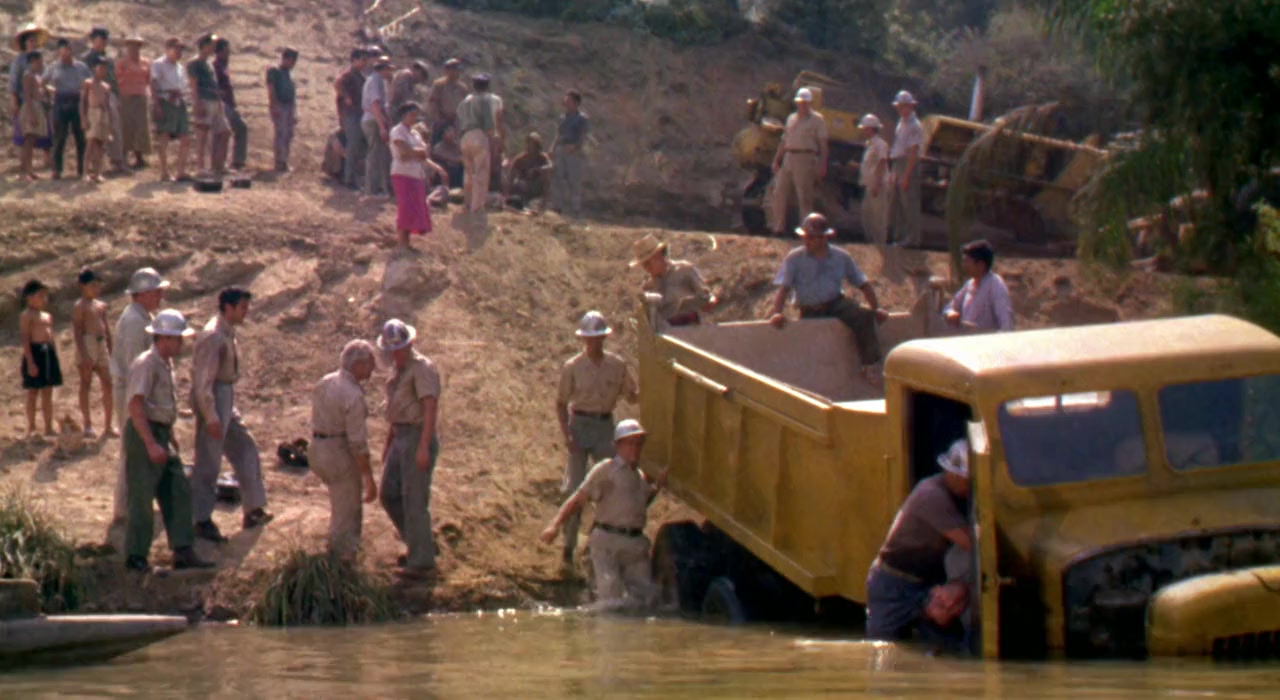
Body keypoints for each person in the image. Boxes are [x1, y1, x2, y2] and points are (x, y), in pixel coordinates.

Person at [123, 308, 214, 572]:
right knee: (142, 495)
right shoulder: (146, 364)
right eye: (177, 339)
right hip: (145, 433)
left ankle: (183, 549)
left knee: (177, 489)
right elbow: (136, 405)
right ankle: (136, 556)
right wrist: (150, 442)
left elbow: (161, 403)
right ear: (163, 338)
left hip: (160, 431)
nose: (181, 344)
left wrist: (168, 435)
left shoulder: (165, 364)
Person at [539, 419, 667, 607]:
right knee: (610, 601)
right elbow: (578, 499)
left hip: (634, 543)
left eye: (638, 444)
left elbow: (638, 506)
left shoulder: (639, 476)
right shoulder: (607, 469)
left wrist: (657, 487)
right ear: (617, 446)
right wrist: (555, 525)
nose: (635, 448)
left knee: (644, 601)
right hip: (607, 542)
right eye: (630, 443)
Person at [554, 311, 639, 574]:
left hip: (605, 426)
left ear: (604, 338)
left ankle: (598, 544)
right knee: (575, 488)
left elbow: (632, 395)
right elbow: (561, 403)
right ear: (583, 340)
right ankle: (568, 548)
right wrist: (567, 435)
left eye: (598, 338)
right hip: (580, 425)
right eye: (589, 338)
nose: (594, 343)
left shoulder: (617, 365)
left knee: (612, 485)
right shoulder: (572, 367)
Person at [866, 439, 972, 646]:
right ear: (953, 474)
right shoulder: (932, 495)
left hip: (922, 583)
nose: (970, 487)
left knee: (944, 646)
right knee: (882, 648)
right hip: (891, 585)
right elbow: (971, 544)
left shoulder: (949, 494)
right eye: (968, 481)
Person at [190, 287, 273, 544]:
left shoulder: (226, 332)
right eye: (242, 307)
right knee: (208, 461)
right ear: (228, 307)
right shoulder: (213, 336)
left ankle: (253, 509)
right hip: (214, 396)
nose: (246, 312)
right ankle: (200, 519)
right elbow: (203, 382)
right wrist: (211, 415)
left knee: (245, 447)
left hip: (224, 395)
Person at [767, 212, 888, 383]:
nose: (806, 241)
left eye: (811, 238)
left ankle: (871, 365)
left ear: (824, 238)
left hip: (835, 303)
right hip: (809, 309)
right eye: (805, 237)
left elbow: (863, 284)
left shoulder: (841, 257)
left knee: (863, 317)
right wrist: (777, 313)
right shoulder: (794, 258)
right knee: (811, 342)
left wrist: (876, 309)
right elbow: (784, 289)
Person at [107, 267, 169, 545]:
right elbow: (136, 366)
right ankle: (124, 509)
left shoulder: (142, 317)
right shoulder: (134, 322)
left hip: (136, 389)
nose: (160, 296)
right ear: (142, 294)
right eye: (156, 292)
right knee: (132, 447)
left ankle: (130, 504)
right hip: (131, 390)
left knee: (136, 448)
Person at [376, 319, 443, 576]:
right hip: (399, 435)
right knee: (389, 494)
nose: (395, 354)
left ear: (409, 344)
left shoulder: (422, 368)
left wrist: (423, 446)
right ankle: (420, 544)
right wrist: (388, 443)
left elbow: (429, 408)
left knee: (414, 498)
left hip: (416, 435)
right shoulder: (397, 372)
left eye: (399, 349)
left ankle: (421, 561)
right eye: (391, 350)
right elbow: (396, 411)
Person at [309, 340, 379, 559]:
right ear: (358, 364)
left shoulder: (325, 381)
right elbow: (357, 443)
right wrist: (368, 477)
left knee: (338, 502)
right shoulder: (353, 395)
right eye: (370, 363)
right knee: (348, 509)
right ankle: (341, 560)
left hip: (317, 448)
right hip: (338, 453)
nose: (373, 369)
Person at [768, 87, 828, 235]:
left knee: (804, 195)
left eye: (805, 102)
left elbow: (823, 144)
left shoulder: (817, 120)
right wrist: (777, 159)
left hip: (805, 157)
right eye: (800, 102)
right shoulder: (791, 118)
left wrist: (822, 164)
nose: (802, 105)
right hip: (789, 156)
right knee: (779, 192)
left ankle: (807, 229)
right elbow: (784, 140)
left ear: (809, 103)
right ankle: (778, 228)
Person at [390, 102, 449, 248]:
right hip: (402, 172)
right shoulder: (398, 131)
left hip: (416, 174)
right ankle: (402, 242)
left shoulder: (415, 134)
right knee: (405, 208)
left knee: (414, 208)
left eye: (415, 115)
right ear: (404, 115)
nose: (414, 118)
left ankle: (407, 242)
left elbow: (423, 155)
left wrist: (437, 168)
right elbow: (403, 152)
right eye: (411, 115)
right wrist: (417, 153)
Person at [630, 233, 718, 329]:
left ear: (658, 256)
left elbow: (706, 296)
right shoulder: (649, 286)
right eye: (644, 265)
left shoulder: (684, 270)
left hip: (690, 330)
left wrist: (708, 301)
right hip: (664, 333)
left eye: (648, 263)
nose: (647, 268)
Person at [72, 268, 114, 438]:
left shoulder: (101, 305)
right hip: (88, 342)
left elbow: (106, 328)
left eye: (98, 285)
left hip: (101, 342)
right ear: (83, 286)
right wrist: (84, 354)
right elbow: (78, 331)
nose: (96, 289)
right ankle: (87, 424)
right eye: (92, 285)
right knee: (86, 383)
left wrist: (111, 348)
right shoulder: (80, 306)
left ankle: (108, 425)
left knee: (108, 383)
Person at [455, 73, 504, 214]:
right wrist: (493, 140)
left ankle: (467, 202)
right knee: (481, 172)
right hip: (479, 134)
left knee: (468, 172)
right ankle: (477, 207)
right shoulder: (484, 101)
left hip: (465, 135)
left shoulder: (465, 101)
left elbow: (458, 120)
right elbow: (489, 123)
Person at [19, 280, 61, 437]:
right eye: (40, 296)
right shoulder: (27, 315)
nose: (44, 299)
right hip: (35, 352)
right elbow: (25, 339)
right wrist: (30, 361)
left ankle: (48, 427)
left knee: (48, 391)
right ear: (29, 298)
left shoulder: (47, 316)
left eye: (45, 295)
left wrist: (54, 354)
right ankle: (31, 427)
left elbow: (51, 337)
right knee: (33, 392)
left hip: (47, 353)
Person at [44, 39, 91, 180]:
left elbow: (91, 81)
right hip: (60, 101)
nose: (66, 53)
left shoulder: (81, 67)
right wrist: (50, 90)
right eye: (63, 50)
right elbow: (42, 82)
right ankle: (57, 169)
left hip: (77, 101)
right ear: (59, 51)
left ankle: (82, 169)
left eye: (68, 50)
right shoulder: (53, 67)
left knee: (80, 137)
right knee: (60, 136)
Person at [944, 239, 1015, 333]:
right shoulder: (969, 284)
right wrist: (950, 313)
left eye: (967, 261)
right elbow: (949, 307)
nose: (964, 265)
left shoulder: (995, 285)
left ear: (981, 265)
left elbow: (1006, 324)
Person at [9, 23, 53, 171]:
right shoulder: (19, 61)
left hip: (40, 101)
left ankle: (45, 161)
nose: (33, 43)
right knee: (27, 135)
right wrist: (14, 100)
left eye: (35, 40)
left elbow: (45, 78)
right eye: (30, 40)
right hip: (26, 101)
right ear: (25, 42)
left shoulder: (41, 59)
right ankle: (26, 166)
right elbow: (14, 82)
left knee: (43, 131)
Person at [83, 27, 125, 173]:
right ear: (93, 40)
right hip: (93, 96)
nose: (103, 43)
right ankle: (93, 165)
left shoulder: (108, 59)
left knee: (113, 127)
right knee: (94, 132)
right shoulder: (87, 59)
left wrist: (117, 96)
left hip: (109, 95)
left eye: (105, 40)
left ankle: (117, 161)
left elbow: (113, 79)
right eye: (100, 39)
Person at [188, 33, 229, 175]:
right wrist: (197, 102)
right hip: (204, 99)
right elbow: (193, 85)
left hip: (215, 100)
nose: (214, 47)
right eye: (212, 44)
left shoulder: (209, 64)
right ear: (204, 45)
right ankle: (200, 167)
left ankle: (218, 165)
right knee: (203, 133)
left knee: (224, 132)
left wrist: (219, 100)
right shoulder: (194, 63)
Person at [150, 37, 191, 181]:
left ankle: (180, 171)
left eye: (181, 49)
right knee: (164, 136)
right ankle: (164, 171)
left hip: (179, 102)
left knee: (185, 137)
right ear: (168, 49)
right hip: (165, 100)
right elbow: (153, 84)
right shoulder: (158, 64)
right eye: (176, 48)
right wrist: (156, 104)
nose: (179, 52)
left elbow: (183, 86)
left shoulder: (180, 67)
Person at [890, 90, 924, 247]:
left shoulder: (914, 125)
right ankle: (900, 236)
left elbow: (913, 152)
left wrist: (906, 175)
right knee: (898, 203)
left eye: (902, 106)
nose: (900, 109)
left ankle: (912, 238)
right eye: (899, 106)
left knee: (909, 203)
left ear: (910, 106)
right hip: (898, 162)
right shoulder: (901, 123)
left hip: (907, 163)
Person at [550, 90, 589, 217]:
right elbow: (558, 134)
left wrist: (576, 146)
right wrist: (552, 148)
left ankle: (575, 208)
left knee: (574, 180)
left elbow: (583, 135)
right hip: (561, 148)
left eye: (569, 101)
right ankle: (558, 206)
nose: (566, 103)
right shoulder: (562, 118)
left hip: (574, 151)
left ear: (576, 103)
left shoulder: (582, 118)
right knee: (558, 177)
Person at [115, 34, 152, 169]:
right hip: (126, 96)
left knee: (141, 126)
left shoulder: (145, 62)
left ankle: (139, 157)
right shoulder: (122, 63)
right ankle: (123, 157)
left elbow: (148, 79)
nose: (134, 48)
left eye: (136, 46)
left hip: (141, 96)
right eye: (131, 45)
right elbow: (117, 79)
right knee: (126, 126)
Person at [334, 48, 368, 189]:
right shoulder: (348, 75)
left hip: (358, 115)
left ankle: (351, 176)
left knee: (357, 147)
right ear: (354, 60)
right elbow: (338, 85)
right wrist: (346, 97)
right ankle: (348, 179)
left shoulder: (361, 77)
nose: (364, 63)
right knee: (352, 146)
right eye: (362, 60)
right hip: (350, 115)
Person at [212, 38, 248, 171]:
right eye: (226, 51)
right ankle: (221, 163)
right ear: (219, 51)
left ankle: (237, 161)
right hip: (222, 103)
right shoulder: (215, 66)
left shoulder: (223, 65)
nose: (229, 53)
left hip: (228, 103)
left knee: (239, 128)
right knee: (224, 132)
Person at [856, 114, 891, 245]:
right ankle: (870, 241)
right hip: (869, 184)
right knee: (867, 214)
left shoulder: (880, 144)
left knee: (878, 216)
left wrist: (877, 182)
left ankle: (880, 242)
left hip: (877, 184)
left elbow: (882, 162)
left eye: (865, 128)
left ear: (870, 129)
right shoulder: (869, 144)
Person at [361, 57, 393, 198]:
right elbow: (375, 105)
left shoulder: (376, 80)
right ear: (383, 69)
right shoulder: (375, 81)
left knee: (378, 154)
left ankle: (377, 187)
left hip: (374, 119)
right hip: (373, 120)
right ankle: (372, 189)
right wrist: (381, 126)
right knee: (375, 154)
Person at [16, 50, 49, 181]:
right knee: (28, 140)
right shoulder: (28, 75)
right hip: (31, 108)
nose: (41, 63)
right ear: (33, 61)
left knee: (32, 140)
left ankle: (29, 170)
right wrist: (31, 114)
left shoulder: (37, 76)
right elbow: (27, 96)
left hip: (38, 106)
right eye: (39, 61)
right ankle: (23, 171)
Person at [81, 59, 115, 183]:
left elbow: (108, 104)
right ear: (95, 69)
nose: (102, 71)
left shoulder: (106, 86)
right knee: (90, 143)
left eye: (104, 69)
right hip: (92, 113)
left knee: (101, 146)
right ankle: (85, 173)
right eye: (100, 68)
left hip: (103, 114)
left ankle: (98, 173)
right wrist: (84, 118)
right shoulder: (88, 83)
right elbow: (83, 101)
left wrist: (110, 123)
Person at [266, 48, 299, 172]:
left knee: (288, 134)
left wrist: (294, 111)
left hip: (288, 106)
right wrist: (274, 105)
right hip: (280, 104)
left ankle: (284, 160)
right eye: (293, 61)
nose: (293, 64)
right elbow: (271, 88)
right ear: (287, 59)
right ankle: (279, 162)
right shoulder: (274, 71)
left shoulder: (288, 74)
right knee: (281, 133)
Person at [425, 57, 467, 145]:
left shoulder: (462, 88)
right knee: (436, 143)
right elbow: (433, 102)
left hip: (455, 121)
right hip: (441, 119)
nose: (456, 72)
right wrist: (437, 119)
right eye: (453, 69)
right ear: (447, 70)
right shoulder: (439, 84)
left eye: (457, 70)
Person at [504, 131, 551, 207]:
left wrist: (537, 169)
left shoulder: (542, 157)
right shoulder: (521, 158)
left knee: (545, 175)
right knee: (519, 184)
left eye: (532, 144)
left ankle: (545, 200)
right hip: (524, 185)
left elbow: (550, 166)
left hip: (537, 185)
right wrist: (515, 184)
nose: (529, 146)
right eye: (528, 143)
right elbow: (511, 174)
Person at [430, 124, 463, 188]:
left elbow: (461, 159)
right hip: (444, 174)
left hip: (457, 174)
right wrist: (453, 159)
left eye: (452, 131)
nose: (451, 134)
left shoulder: (457, 146)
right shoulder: (438, 147)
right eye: (448, 131)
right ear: (443, 134)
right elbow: (438, 156)